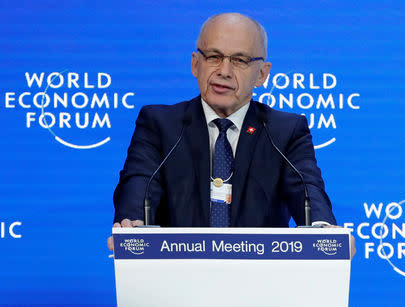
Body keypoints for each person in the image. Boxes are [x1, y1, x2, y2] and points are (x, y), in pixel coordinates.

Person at [107, 13, 355, 257]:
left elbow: (308, 191)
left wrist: (324, 233)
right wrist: (132, 223)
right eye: (214, 57)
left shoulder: (285, 131)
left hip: (261, 284)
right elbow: (139, 183)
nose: (224, 71)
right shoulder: (160, 124)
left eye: (239, 60)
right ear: (196, 64)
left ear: (262, 74)